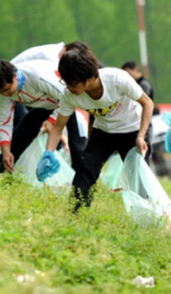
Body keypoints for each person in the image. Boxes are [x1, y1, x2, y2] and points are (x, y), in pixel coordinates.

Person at [38, 45, 153, 212]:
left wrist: (141, 136)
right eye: (65, 82)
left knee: (139, 178)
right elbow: (58, 127)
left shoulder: (117, 79)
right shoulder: (70, 95)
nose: (68, 87)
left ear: (88, 77)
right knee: (85, 170)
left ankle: (150, 216)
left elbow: (147, 103)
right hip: (103, 132)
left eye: (72, 82)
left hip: (132, 129)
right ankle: (76, 215)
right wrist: (48, 153)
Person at [0, 57, 87, 174]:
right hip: (43, 107)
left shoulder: (37, 76)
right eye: (1, 92)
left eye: (7, 90)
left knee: (77, 149)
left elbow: (67, 98)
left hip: (66, 105)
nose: (5, 94)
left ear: (14, 76)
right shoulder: (2, 92)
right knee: (17, 141)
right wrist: (5, 150)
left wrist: (52, 120)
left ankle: (81, 187)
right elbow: (4, 121)